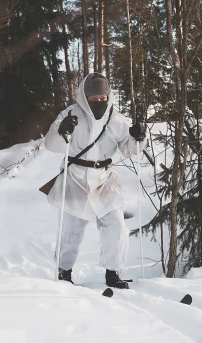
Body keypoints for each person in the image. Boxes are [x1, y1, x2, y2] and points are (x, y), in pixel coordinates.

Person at [44, 72, 146, 289]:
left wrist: (138, 137)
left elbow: (128, 149)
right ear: (85, 96)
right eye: (94, 98)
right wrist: (62, 131)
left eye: (103, 98)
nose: (100, 102)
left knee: (116, 226)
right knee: (71, 229)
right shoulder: (70, 114)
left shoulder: (116, 118)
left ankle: (113, 274)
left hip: (105, 179)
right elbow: (51, 145)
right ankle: (64, 272)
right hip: (75, 178)